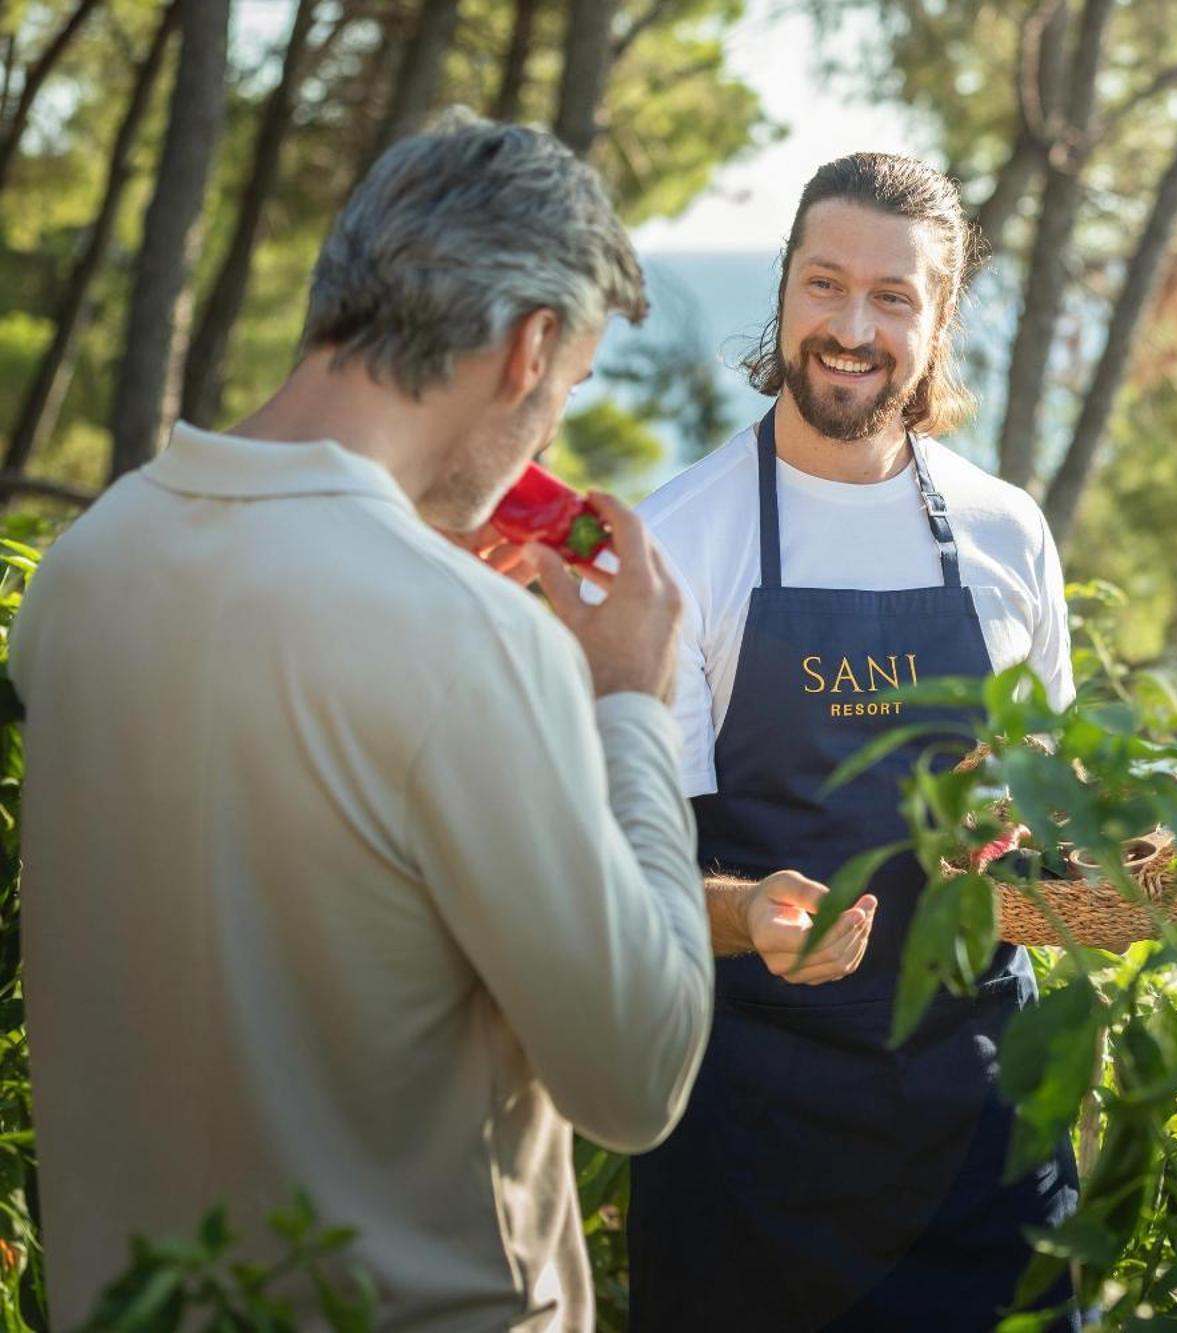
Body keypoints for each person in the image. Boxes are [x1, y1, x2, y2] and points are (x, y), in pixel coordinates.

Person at [11, 112, 713, 1331]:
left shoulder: (88, 564)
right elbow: (637, 1076)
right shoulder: (465, 642)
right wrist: (625, 706)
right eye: (570, 385)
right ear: (527, 346)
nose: (550, 428)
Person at [626, 152, 1081, 1331]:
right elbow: (628, 870)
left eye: (893, 297)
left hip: (983, 1129)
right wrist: (746, 916)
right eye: (824, 283)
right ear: (783, 291)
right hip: (750, 1140)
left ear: (937, 325)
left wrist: (1105, 888)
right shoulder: (681, 540)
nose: (850, 326)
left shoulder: (1004, 534)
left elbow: (1034, 825)